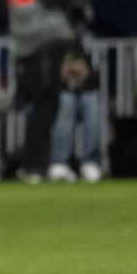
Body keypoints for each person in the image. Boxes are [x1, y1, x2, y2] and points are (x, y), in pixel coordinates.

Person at [8, 0, 92, 183]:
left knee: (48, 103)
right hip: (38, 37)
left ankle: (36, 166)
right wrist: (76, 9)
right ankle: (32, 166)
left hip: (43, 37)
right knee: (43, 102)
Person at [48, 40, 103, 182]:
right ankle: (59, 162)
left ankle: (90, 162)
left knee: (93, 102)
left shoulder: (84, 44)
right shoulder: (52, 43)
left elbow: (96, 76)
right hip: (62, 90)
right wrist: (62, 73)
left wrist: (86, 72)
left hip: (86, 89)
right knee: (65, 103)